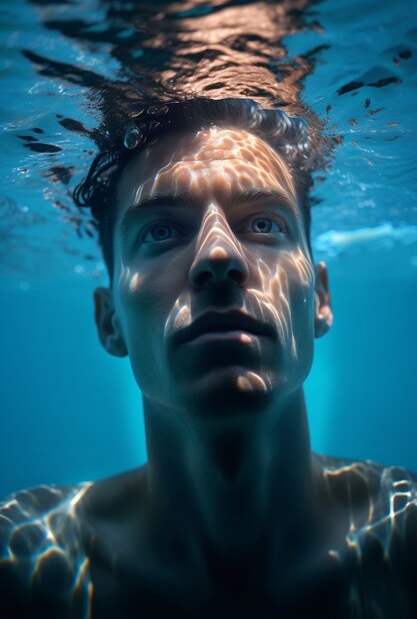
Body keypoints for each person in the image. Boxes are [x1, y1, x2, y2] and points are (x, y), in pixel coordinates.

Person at [1, 98, 416, 619]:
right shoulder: (17, 561)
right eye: (159, 231)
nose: (218, 257)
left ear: (321, 298)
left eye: (263, 223)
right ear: (110, 321)